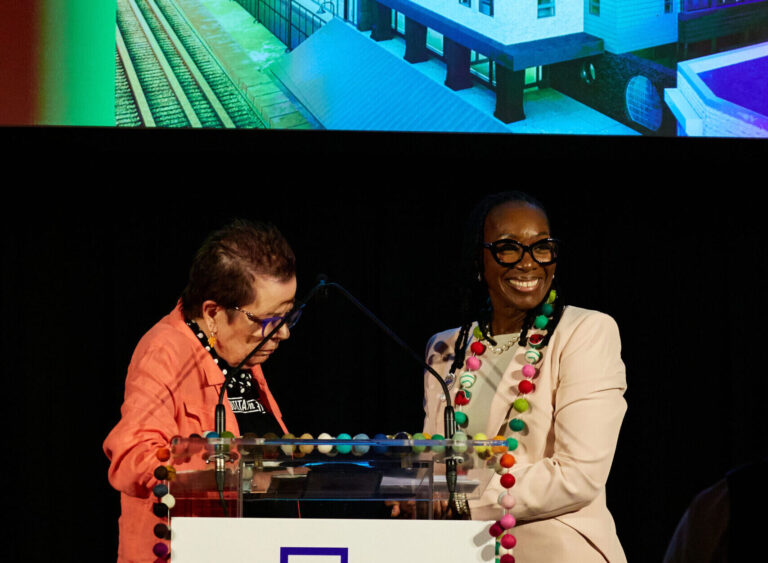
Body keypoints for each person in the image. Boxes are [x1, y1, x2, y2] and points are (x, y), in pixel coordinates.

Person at [422, 191, 627, 562]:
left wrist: (460, 500)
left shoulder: (585, 332)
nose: (529, 263)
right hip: (463, 552)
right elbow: (438, 462)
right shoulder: (447, 348)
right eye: (508, 248)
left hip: (559, 551)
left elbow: (577, 476)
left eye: (541, 247)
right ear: (479, 259)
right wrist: (414, 494)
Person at [103, 219, 299, 563]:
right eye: (269, 321)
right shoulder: (164, 351)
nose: (283, 334)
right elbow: (132, 456)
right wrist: (236, 473)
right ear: (213, 313)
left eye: (287, 315)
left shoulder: (238, 352)